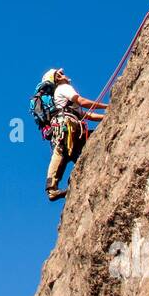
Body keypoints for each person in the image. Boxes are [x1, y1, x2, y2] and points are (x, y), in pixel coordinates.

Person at [39, 68, 108, 202]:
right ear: (57, 79)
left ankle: (53, 187)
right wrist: (107, 106)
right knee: (61, 152)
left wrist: (107, 116)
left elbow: (87, 115)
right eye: (60, 73)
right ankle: (51, 188)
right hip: (67, 126)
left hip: (71, 126)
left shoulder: (63, 98)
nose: (64, 73)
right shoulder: (63, 88)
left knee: (64, 153)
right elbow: (82, 101)